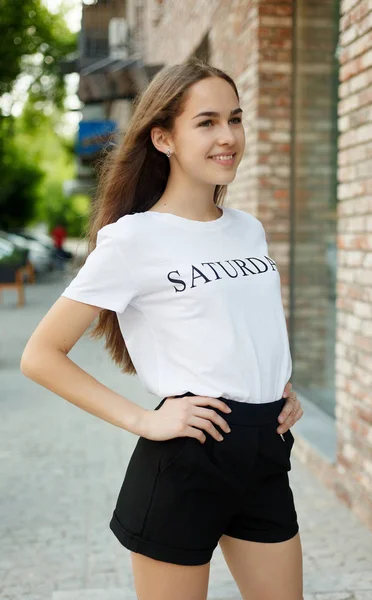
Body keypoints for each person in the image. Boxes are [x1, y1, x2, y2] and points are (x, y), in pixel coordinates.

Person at [20, 57, 304, 600]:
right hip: (189, 455)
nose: (229, 137)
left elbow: (247, 324)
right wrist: (144, 421)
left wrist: (279, 388)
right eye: (207, 122)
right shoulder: (134, 239)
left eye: (235, 119)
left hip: (266, 451)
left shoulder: (249, 230)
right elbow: (41, 354)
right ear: (163, 138)